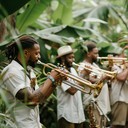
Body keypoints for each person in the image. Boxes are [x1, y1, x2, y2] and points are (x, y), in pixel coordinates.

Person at [0, 35, 66, 128]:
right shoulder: (11, 72)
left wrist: (55, 81)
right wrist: (51, 78)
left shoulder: (30, 71)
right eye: (36, 53)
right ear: (26, 53)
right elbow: (32, 100)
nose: (39, 57)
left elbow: (40, 98)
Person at [78, 41, 111, 128]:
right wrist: (103, 78)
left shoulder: (95, 65)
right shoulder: (83, 66)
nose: (98, 55)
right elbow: (91, 81)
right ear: (88, 54)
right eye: (95, 53)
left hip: (101, 104)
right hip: (94, 104)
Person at [56, 45, 85, 128]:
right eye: (70, 58)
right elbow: (72, 91)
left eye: (73, 57)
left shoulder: (72, 70)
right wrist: (82, 76)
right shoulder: (59, 72)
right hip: (67, 114)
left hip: (78, 113)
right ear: (62, 59)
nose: (73, 60)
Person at [110, 45, 128, 128]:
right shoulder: (114, 65)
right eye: (123, 54)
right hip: (120, 99)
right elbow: (121, 77)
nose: (125, 56)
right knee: (117, 125)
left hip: (125, 99)